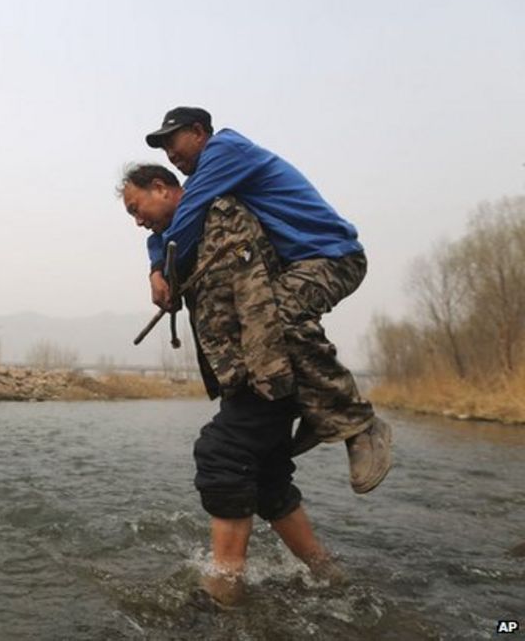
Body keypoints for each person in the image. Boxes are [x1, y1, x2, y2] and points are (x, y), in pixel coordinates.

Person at [119, 166, 343, 607]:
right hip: (250, 373)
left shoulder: (221, 212)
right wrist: (157, 273)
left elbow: (256, 290)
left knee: (222, 455)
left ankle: (225, 593)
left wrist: (268, 372)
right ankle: (329, 575)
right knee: (269, 479)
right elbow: (162, 247)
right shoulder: (183, 236)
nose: (137, 219)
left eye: (136, 207)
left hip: (265, 368)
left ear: (162, 188)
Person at [140, 107, 391, 494]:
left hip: (332, 255)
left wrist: (168, 275)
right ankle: (317, 412)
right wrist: (156, 267)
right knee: (266, 325)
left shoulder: (226, 151)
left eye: (172, 141)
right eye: (164, 149)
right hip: (302, 264)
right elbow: (166, 229)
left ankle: (360, 425)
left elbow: (185, 216)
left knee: (277, 316)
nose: (170, 154)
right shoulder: (212, 175)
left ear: (198, 132)